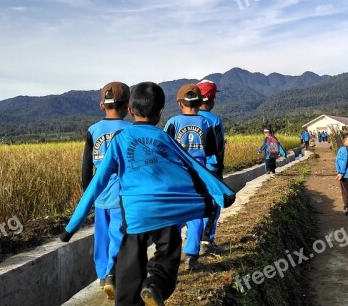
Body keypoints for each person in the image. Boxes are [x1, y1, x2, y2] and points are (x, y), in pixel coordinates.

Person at [60, 82, 235, 306]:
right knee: (168, 251)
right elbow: (194, 166)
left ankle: (125, 296)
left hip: (135, 214)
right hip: (165, 211)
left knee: (129, 258)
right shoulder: (165, 138)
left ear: (131, 111)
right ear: (161, 112)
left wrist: (70, 228)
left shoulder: (120, 140)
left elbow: (96, 183)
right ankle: (154, 285)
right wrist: (223, 193)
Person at [80, 81, 132, 299]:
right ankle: (112, 273)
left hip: (99, 195)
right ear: (128, 107)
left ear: (102, 105)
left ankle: (103, 275)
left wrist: (88, 194)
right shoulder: (131, 130)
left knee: (101, 236)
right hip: (123, 196)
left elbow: (86, 168)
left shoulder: (93, 130)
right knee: (118, 234)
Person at [164, 84, 219, 272]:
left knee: (176, 214)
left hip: (176, 176)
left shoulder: (172, 122)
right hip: (198, 176)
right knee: (196, 215)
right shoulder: (207, 124)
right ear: (200, 102)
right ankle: (191, 256)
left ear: (180, 104)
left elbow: (164, 148)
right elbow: (212, 150)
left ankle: (170, 254)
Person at [196, 79, 226, 255]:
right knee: (213, 204)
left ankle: (194, 239)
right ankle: (207, 239)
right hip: (211, 170)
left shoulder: (185, 119)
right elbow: (219, 149)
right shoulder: (214, 121)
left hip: (191, 171)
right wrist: (220, 170)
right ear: (212, 99)